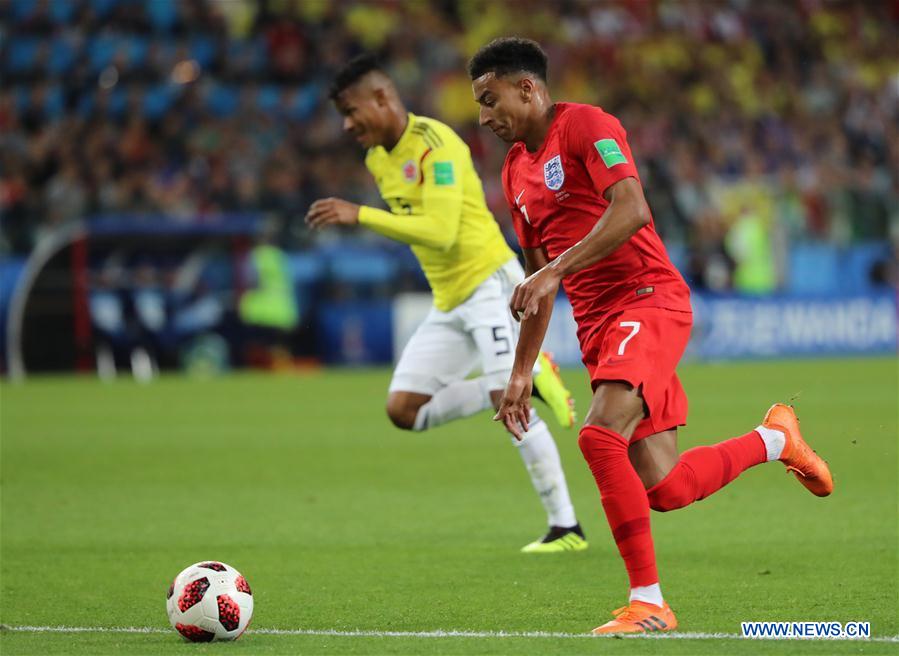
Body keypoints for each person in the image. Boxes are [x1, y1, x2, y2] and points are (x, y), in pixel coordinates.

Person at [469, 37, 833, 633]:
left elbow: (632, 208)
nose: (484, 117)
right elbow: (537, 289)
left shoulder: (586, 126)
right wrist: (520, 372)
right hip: (597, 327)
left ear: (528, 88)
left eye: (490, 99)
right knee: (666, 487)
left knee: (597, 435)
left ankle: (649, 604)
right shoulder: (514, 173)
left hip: (648, 298)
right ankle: (774, 439)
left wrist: (553, 270)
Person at [305, 54, 587, 553]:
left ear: (382, 98)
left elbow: (438, 230)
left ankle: (567, 528)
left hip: (491, 287)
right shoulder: (377, 158)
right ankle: (517, 381)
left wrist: (359, 215)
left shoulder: (438, 146)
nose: (348, 125)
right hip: (449, 299)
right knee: (403, 410)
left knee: (513, 407)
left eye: (352, 112)